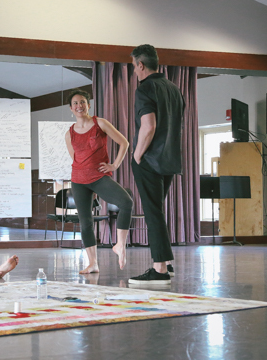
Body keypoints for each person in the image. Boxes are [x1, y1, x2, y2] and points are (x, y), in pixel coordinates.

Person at [128, 44, 185, 285]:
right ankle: (166, 264)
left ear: (140, 65)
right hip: (170, 160)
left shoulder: (145, 88)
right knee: (157, 213)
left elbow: (148, 127)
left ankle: (159, 268)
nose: (134, 71)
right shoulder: (173, 88)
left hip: (150, 159)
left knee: (153, 213)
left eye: (133, 67)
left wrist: (137, 155)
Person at [64, 89, 133, 274]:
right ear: (71, 108)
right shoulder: (69, 133)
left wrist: (114, 165)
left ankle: (120, 245)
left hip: (99, 177)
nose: (79, 105)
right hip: (78, 181)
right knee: (85, 221)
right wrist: (82, 174)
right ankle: (92, 263)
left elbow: (124, 143)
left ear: (88, 105)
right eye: (76, 103)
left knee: (126, 202)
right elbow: (75, 158)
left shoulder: (100, 123)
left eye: (83, 102)